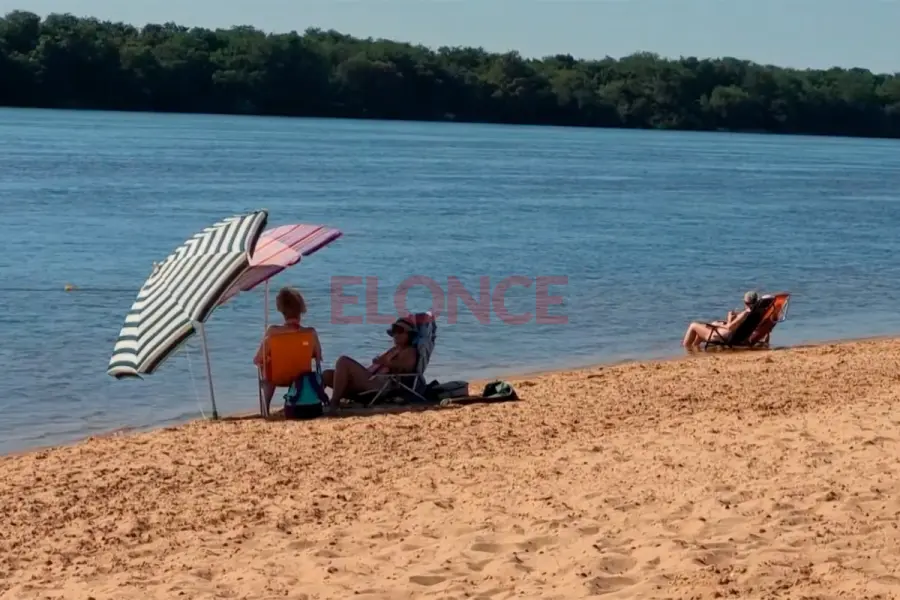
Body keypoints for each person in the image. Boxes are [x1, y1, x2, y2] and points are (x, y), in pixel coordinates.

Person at [322, 317, 418, 410]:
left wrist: (388, 362)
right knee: (327, 375)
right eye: (394, 330)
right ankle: (318, 401)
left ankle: (334, 402)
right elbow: (381, 362)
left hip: (379, 387)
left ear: (409, 334)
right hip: (370, 381)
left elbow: (408, 366)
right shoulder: (394, 350)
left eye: (400, 330)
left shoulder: (410, 351)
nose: (396, 334)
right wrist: (380, 361)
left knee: (343, 361)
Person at [253, 287, 322, 413]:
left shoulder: (273, 332)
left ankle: (266, 408)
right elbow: (318, 357)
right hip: (302, 379)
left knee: (267, 364)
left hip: (277, 378)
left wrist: (269, 359)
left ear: (281, 310)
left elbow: (258, 359)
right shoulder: (310, 333)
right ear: (301, 309)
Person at [682, 291, 759, 349]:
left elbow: (729, 327)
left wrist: (728, 319)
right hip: (732, 336)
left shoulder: (745, 313)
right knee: (702, 330)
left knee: (693, 325)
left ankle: (686, 349)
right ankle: (694, 349)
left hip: (723, 336)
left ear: (746, 302)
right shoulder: (754, 313)